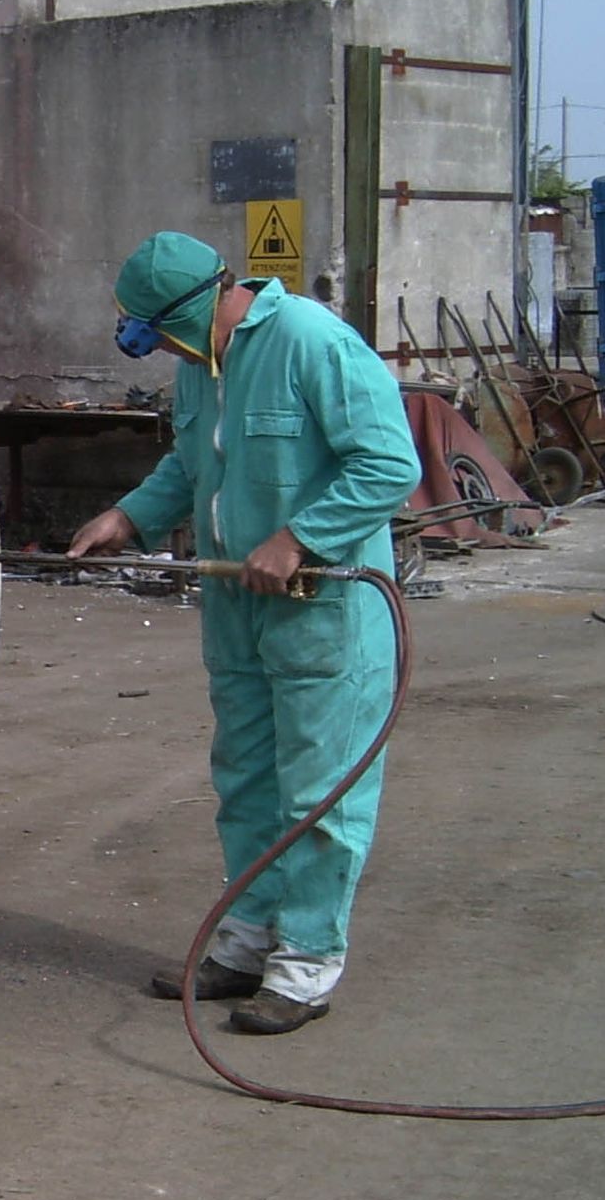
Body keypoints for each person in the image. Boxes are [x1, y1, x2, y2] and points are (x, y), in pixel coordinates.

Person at [69, 231, 420, 1035]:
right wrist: (131, 515)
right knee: (247, 781)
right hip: (239, 611)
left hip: (322, 607)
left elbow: (387, 464)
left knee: (318, 789)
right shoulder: (201, 374)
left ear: (197, 308)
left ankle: (304, 966)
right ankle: (248, 936)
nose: (163, 354)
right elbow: (192, 470)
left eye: (160, 336)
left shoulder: (312, 343)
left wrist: (300, 537)